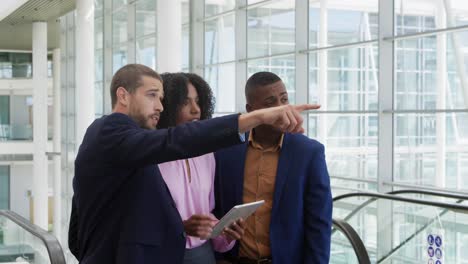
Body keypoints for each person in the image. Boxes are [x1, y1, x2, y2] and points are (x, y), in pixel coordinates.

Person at [69, 64, 319, 264]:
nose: (159, 106)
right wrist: (257, 118)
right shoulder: (111, 130)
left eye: (162, 98)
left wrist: (208, 229)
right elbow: (175, 140)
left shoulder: (132, 144)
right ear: (123, 95)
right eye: (152, 96)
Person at [214, 72, 332, 264]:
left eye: (284, 99)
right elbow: (217, 207)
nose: (280, 108)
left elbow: (319, 223)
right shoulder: (226, 151)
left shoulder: (309, 153)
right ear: (251, 110)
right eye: (270, 103)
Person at [157, 72, 246, 264]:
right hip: (163, 253)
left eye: (198, 101)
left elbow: (208, 216)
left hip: (203, 255)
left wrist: (226, 233)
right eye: (185, 102)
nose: (196, 110)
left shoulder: (206, 153)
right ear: (167, 106)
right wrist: (180, 228)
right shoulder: (153, 156)